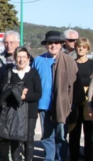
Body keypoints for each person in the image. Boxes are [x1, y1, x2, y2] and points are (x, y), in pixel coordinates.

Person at [33, 31, 78, 161]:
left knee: (61, 135)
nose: (53, 45)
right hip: (43, 105)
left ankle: (61, 158)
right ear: (46, 45)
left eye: (56, 43)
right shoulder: (38, 60)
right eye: (50, 43)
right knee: (47, 135)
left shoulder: (69, 61)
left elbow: (75, 84)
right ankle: (49, 158)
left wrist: (72, 103)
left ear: (61, 45)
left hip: (62, 105)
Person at [0, 47, 42, 161]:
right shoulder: (9, 72)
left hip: (30, 111)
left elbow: (38, 93)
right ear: (15, 58)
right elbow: (3, 91)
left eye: (24, 57)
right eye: (18, 57)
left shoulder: (33, 72)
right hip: (14, 111)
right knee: (15, 139)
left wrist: (24, 97)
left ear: (28, 58)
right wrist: (16, 94)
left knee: (29, 139)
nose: (21, 59)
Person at [69, 38, 93, 161]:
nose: (81, 49)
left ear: (87, 49)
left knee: (89, 132)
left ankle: (88, 157)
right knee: (74, 131)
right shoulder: (71, 63)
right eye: (79, 46)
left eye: (84, 47)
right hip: (74, 100)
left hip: (88, 101)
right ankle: (74, 156)